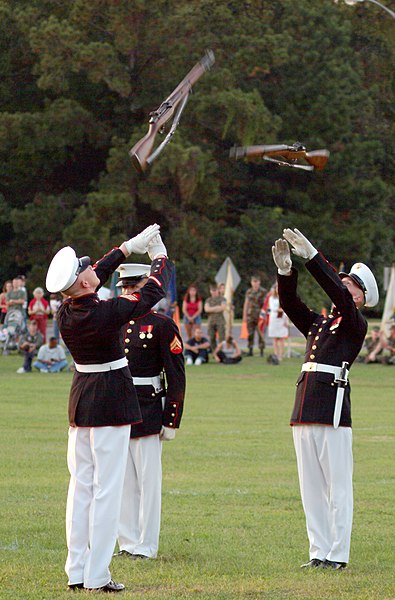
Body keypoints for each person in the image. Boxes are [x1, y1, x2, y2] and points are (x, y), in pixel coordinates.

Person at [45, 224, 172, 593]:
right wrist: (159, 258)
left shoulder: (67, 310)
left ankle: (76, 570)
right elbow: (150, 294)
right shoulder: (105, 312)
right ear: (83, 285)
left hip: (82, 399)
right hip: (111, 400)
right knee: (107, 489)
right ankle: (98, 575)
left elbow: (94, 275)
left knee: (80, 487)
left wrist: (125, 248)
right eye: (86, 270)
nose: (92, 270)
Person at [272, 228, 379, 571]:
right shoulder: (320, 324)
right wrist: (286, 273)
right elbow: (290, 305)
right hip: (304, 407)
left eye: (349, 285)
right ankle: (318, 551)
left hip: (332, 410)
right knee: (312, 488)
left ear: (361, 297)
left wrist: (314, 257)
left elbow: (339, 295)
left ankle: (338, 554)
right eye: (342, 282)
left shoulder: (355, 322)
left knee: (337, 487)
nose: (342, 287)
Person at [112, 263, 185, 560]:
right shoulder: (115, 322)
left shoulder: (162, 324)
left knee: (147, 482)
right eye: (125, 288)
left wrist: (172, 419)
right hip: (118, 408)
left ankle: (146, 544)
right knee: (122, 481)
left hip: (149, 407)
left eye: (133, 287)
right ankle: (127, 542)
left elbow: (176, 376)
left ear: (147, 286)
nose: (128, 293)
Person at [242, 275, 266, 357]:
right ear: (251, 283)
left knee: (260, 334)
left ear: (259, 282)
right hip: (250, 315)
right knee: (250, 333)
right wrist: (244, 315)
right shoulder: (249, 291)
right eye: (254, 282)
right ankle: (250, 349)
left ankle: (261, 350)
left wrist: (265, 315)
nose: (255, 284)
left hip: (260, 316)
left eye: (257, 282)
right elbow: (246, 303)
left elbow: (265, 304)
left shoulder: (263, 291)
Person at [266, 283, 289, 362]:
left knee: (281, 338)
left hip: (282, 319)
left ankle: (281, 355)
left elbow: (286, 309)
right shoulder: (272, 298)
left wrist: (286, 320)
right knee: (275, 338)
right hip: (274, 318)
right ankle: (276, 354)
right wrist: (280, 310)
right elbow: (272, 308)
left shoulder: (284, 297)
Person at [204, 283, 226, 352]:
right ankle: (214, 351)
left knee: (221, 337)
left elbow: (222, 308)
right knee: (212, 337)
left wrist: (212, 309)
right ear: (210, 291)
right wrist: (217, 308)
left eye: (215, 290)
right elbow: (207, 309)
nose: (214, 292)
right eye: (212, 290)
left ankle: (220, 351)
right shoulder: (208, 300)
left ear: (218, 290)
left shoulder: (222, 299)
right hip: (211, 321)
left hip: (220, 321)